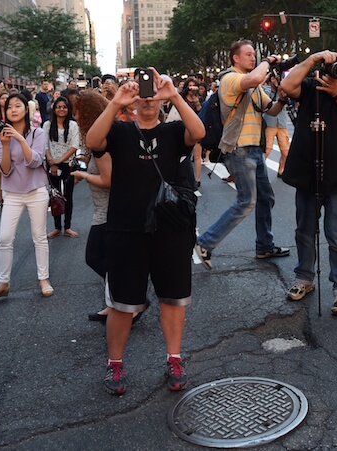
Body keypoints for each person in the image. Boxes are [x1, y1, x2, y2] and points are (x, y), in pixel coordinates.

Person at [85, 67, 205, 395]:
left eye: (153, 95)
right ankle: (115, 365)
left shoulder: (173, 131)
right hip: (126, 229)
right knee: (123, 304)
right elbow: (93, 142)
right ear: (133, 102)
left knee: (173, 298)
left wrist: (175, 95)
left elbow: (199, 132)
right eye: (142, 95)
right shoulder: (121, 132)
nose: (148, 100)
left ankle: (175, 359)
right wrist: (115, 104)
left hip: (170, 228)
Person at [280, 50, 337, 316]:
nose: (335, 73)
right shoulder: (311, 87)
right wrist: (312, 60)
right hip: (307, 174)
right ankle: (304, 278)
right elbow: (286, 86)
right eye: (332, 68)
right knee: (304, 230)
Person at [194, 40, 290, 271]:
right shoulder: (230, 79)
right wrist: (268, 61)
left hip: (255, 148)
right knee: (246, 201)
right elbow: (256, 78)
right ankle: (205, 243)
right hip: (238, 149)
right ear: (235, 58)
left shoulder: (254, 86)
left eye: (254, 55)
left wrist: (283, 97)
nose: (252, 58)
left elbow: (270, 110)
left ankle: (264, 245)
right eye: (248, 54)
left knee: (266, 198)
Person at [70, 91, 149, 325]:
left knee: (95, 257)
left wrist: (83, 174)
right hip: (110, 208)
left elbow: (109, 179)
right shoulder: (105, 134)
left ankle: (133, 298)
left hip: (109, 210)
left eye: (76, 111)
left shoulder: (101, 141)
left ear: (86, 113)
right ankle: (116, 303)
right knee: (109, 259)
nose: (74, 115)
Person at [0, 93, 53, 300]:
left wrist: (20, 139)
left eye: (17, 105)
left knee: (39, 237)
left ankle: (44, 279)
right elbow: (5, 170)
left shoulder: (38, 133)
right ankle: (3, 282)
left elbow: (34, 161)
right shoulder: (0, 138)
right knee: (5, 238)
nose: (13, 109)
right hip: (13, 193)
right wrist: (6, 145)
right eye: (9, 107)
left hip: (36, 190)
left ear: (26, 109)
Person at [43, 96, 81, 238]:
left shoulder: (72, 125)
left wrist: (59, 160)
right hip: (52, 164)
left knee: (68, 196)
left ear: (68, 109)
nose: (61, 109)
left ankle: (68, 227)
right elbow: (45, 145)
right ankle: (57, 227)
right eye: (58, 107)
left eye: (64, 107)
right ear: (54, 108)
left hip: (68, 165)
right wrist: (52, 162)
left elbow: (74, 145)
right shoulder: (47, 125)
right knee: (55, 196)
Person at [263, 75, 291, 176]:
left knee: (285, 151)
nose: (276, 81)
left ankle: (281, 170)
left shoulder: (284, 90)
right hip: (270, 123)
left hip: (282, 123)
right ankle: (259, 171)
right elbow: (267, 104)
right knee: (267, 149)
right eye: (274, 78)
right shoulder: (266, 91)